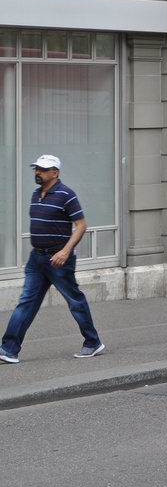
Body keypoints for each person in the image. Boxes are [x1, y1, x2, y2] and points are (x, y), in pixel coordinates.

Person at [1, 155, 104, 363]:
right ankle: (8, 350)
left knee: (75, 301)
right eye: (36, 169)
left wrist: (65, 251)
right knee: (26, 303)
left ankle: (92, 342)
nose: (38, 172)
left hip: (59, 260)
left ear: (55, 172)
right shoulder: (36, 194)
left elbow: (81, 225)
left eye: (43, 169)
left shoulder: (67, 195)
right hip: (36, 260)